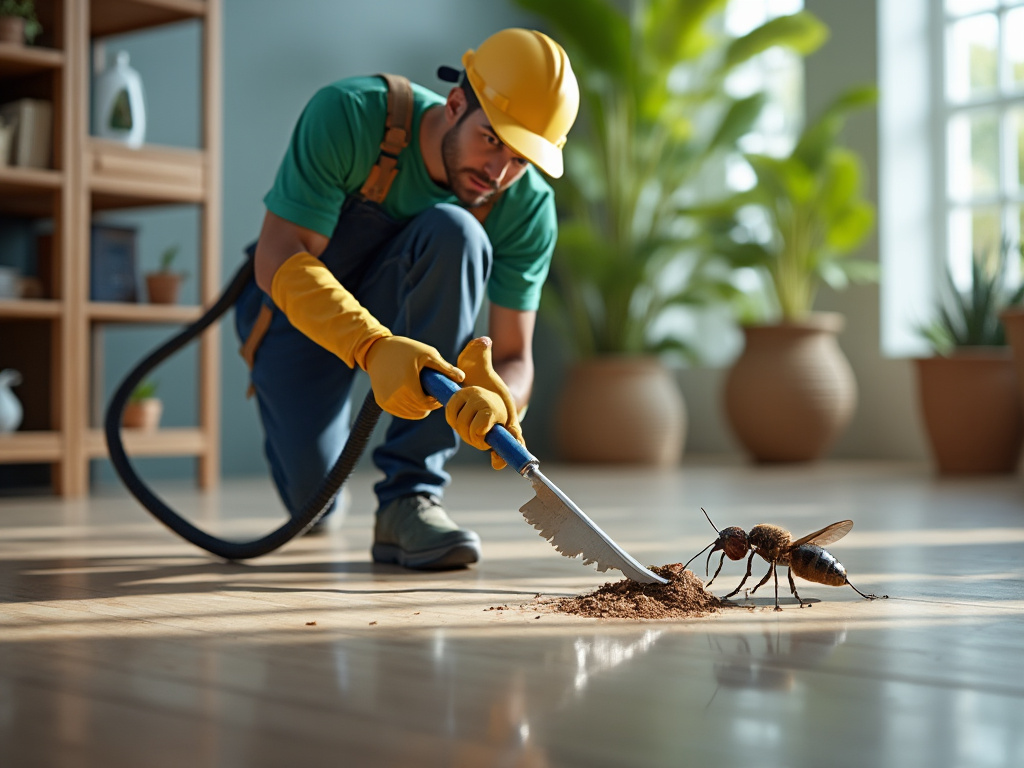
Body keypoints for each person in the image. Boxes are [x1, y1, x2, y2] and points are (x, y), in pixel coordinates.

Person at [234, 28, 579, 571]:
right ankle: (321, 494)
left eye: (520, 161)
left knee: (457, 231)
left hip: (413, 324)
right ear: (457, 102)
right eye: (492, 140)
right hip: (301, 318)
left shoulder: (525, 207)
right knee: (313, 505)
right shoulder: (352, 116)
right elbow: (277, 255)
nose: (498, 174)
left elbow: (514, 355)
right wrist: (373, 347)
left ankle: (409, 498)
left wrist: (501, 398)